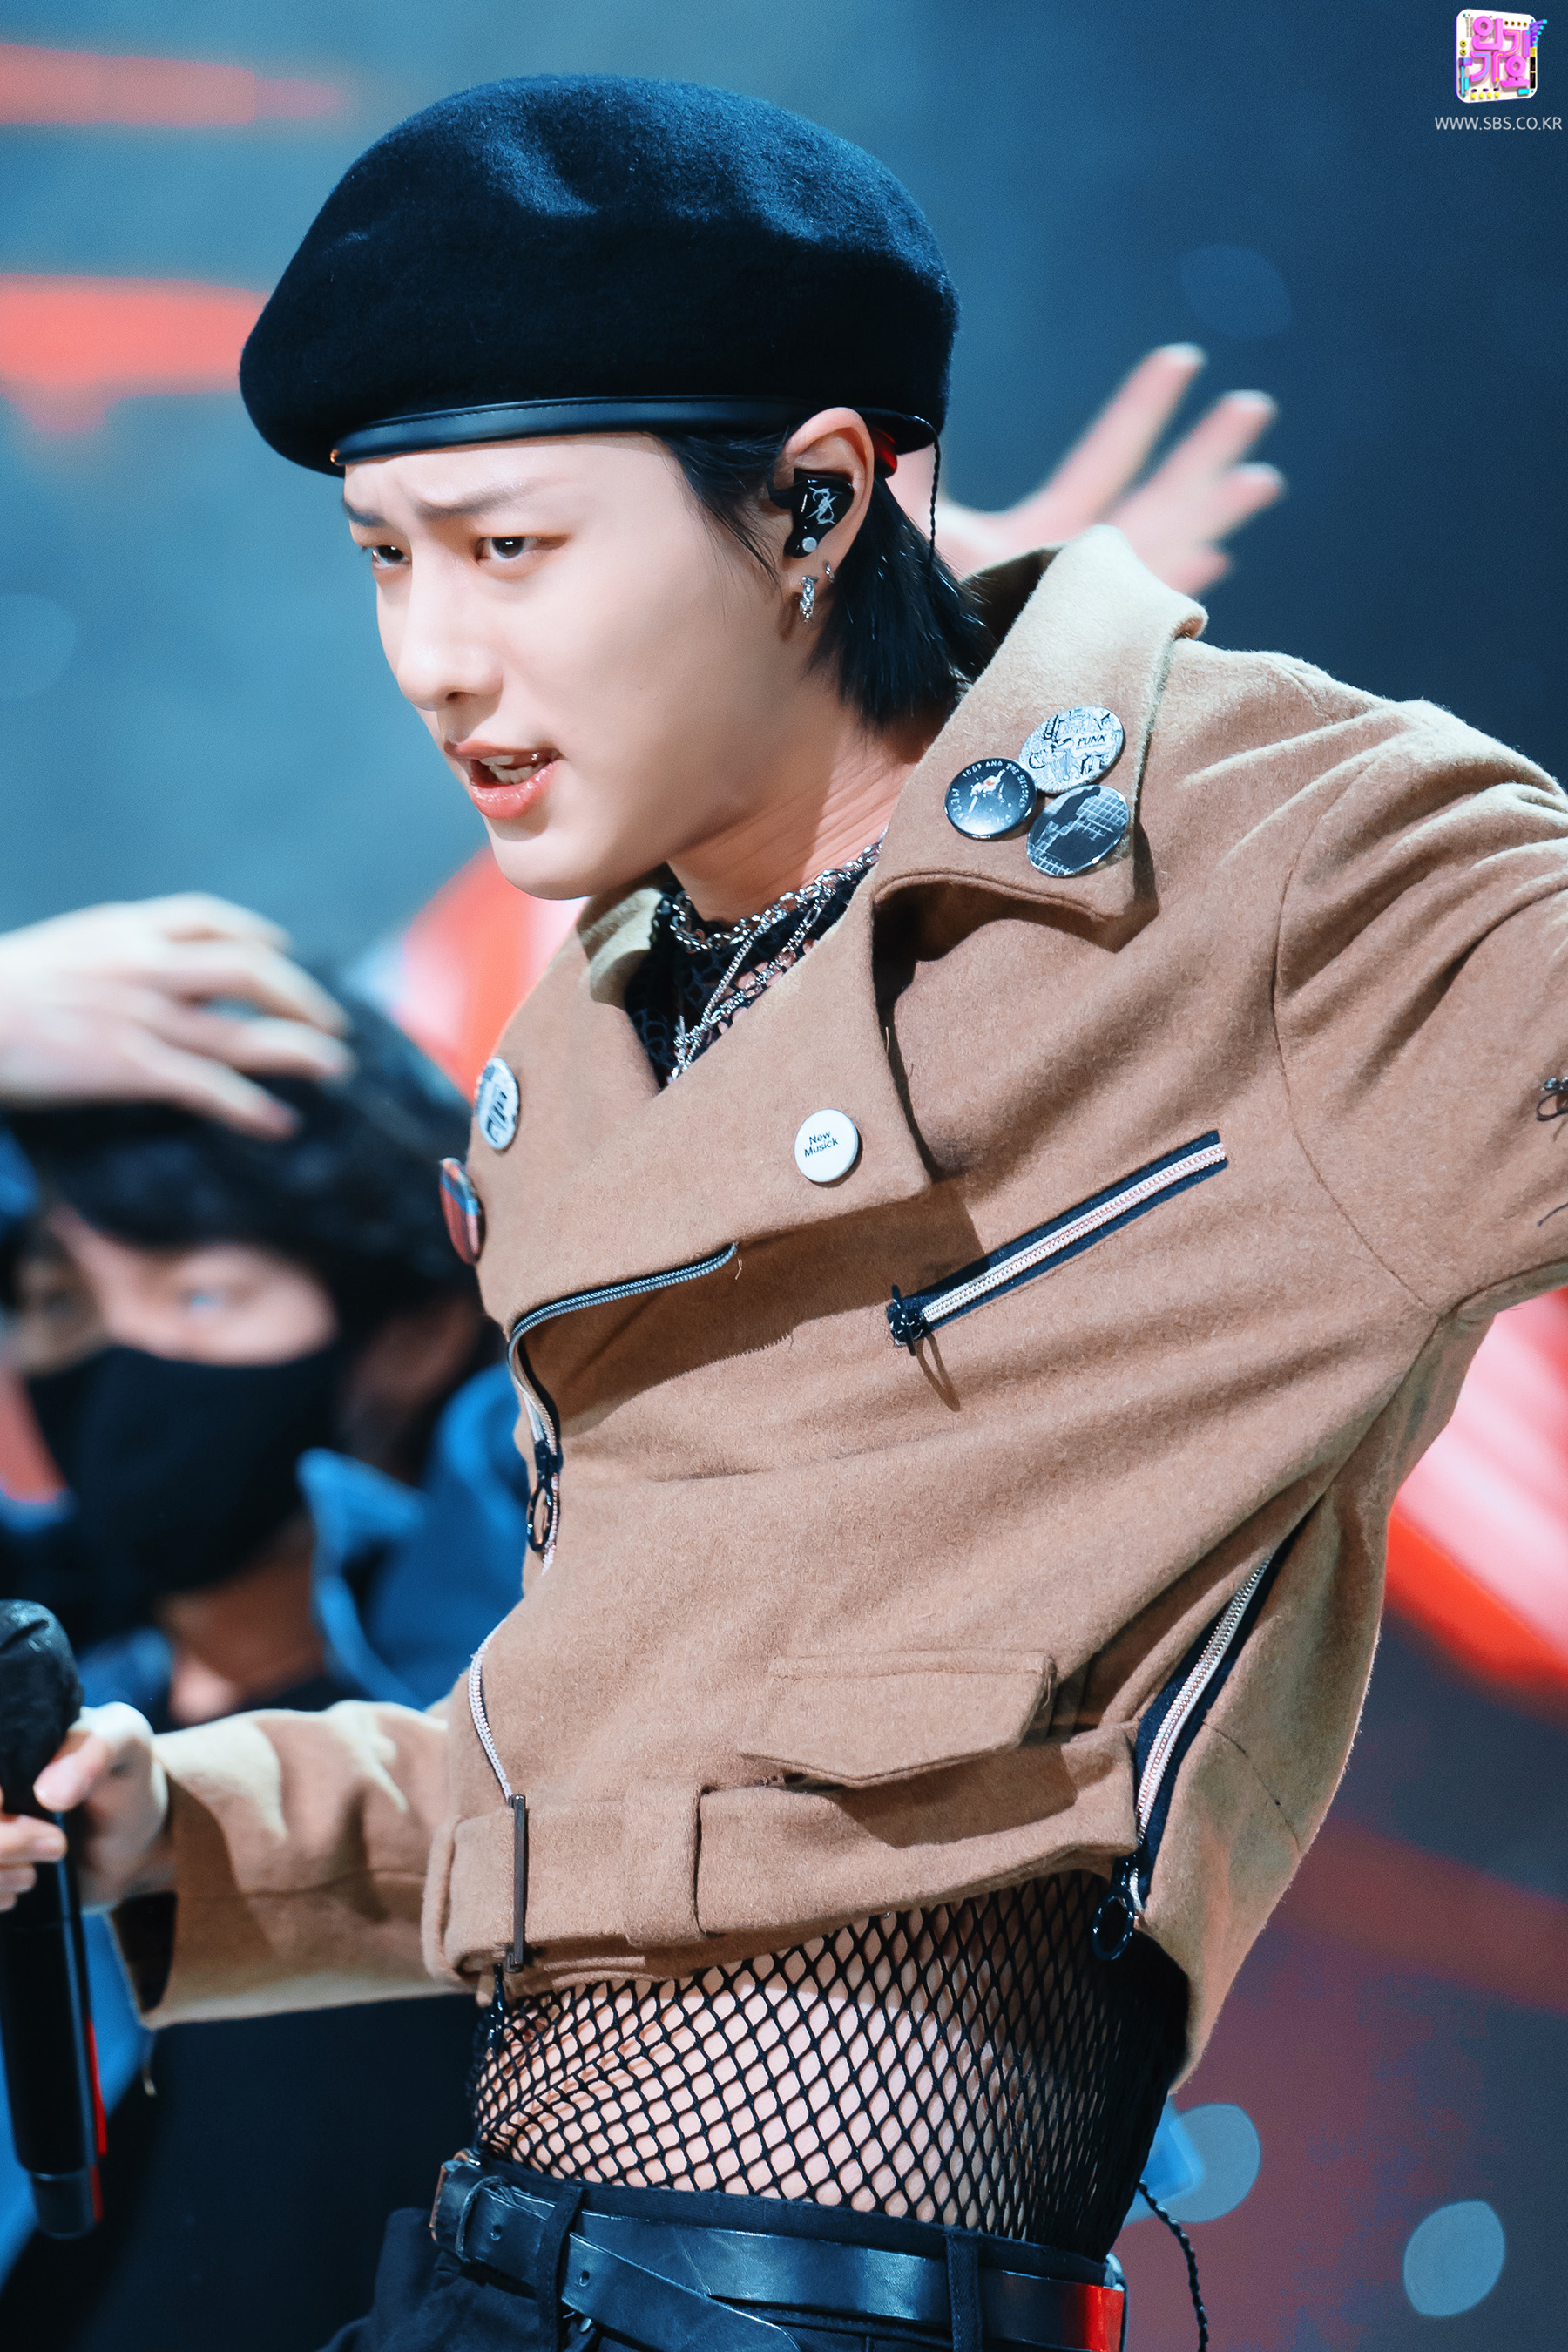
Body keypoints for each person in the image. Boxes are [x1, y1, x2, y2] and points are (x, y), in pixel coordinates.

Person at [3, 71, 1545, 2352]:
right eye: (383, 556)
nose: (431, 655)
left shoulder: (1279, 868)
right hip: (483, 2275)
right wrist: (178, 1829)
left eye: (509, 548)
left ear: (816, 499)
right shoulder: (594, 1028)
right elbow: (595, 1769)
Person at [0, 992, 538, 2347]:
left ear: (405, 1330)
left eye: (198, 1290)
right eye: (57, 1301)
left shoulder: (514, 1694)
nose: (115, 1359)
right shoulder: (36, 1706)